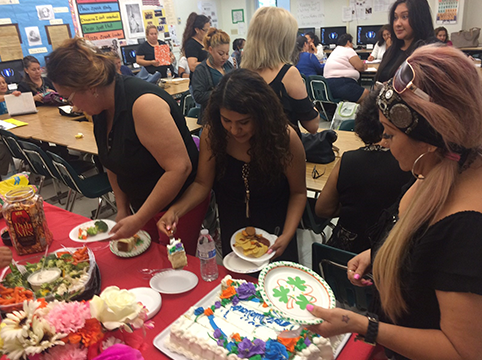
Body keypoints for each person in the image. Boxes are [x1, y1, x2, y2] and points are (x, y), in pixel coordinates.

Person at [307, 45, 482, 360]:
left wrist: (363, 325)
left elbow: (462, 350)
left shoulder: (468, 230)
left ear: (428, 142)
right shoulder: (442, 164)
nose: (384, 144)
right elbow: (421, 248)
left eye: (389, 135)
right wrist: (378, 253)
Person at [46, 38, 206, 256]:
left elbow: (179, 168)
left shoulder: (143, 104)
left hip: (177, 203)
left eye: (69, 98)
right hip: (142, 204)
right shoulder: (100, 108)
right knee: (148, 259)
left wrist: (140, 218)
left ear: (91, 88)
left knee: (174, 263)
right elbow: (112, 161)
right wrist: (122, 208)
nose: (73, 106)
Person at [158, 69, 306, 262]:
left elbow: (298, 193)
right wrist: (175, 211)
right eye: (226, 120)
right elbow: (202, 184)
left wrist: (287, 235)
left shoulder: (284, 138)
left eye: (244, 122)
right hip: (233, 228)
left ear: (262, 116)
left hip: (276, 229)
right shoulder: (213, 134)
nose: (235, 130)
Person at [315, 90, 411, 253]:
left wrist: (350, 208)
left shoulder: (348, 160)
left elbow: (322, 209)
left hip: (343, 253)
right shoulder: (411, 167)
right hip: (388, 253)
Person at [242, 7, 319, 136]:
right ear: (285, 40)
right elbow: (313, 126)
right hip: (283, 149)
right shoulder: (288, 74)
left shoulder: (241, 73)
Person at [375, 0, 434, 83]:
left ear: (419, 18)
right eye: (395, 18)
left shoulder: (429, 53)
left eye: (404, 17)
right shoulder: (392, 50)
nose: (397, 24)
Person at [191, 28, 233, 124]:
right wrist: (222, 92)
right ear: (210, 50)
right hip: (211, 120)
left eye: (227, 53)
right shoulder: (201, 70)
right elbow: (198, 96)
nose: (225, 57)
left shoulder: (228, 66)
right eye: (221, 54)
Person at [324, 34, 368, 103]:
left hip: (328, 85)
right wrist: (364, 66)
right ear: (348, 42)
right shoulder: (348, 50)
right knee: (367, 95)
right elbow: (360, 67)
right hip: (342, 83)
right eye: (352, 43)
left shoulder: (335, 51)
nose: (352, 46)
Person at [181, 12, 210, 79]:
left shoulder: (205, 42)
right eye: (205, 30)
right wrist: (210, 63)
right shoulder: (191, 44)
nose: (207, 33)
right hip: (199, 81)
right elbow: (192, 66)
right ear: (197, 30)